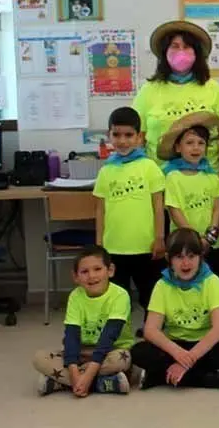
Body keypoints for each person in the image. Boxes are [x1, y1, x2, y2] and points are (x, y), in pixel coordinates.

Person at [130, 229, 219, 390]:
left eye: (191, 257)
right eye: (179, 257)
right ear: (169, 259)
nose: (186, 264)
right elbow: (150, 330)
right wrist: (179, 355)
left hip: (204, 345)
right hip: (175, 345)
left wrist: (189, 359)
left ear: (200, 257)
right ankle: (210, 378)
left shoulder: (212, 282)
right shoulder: (162, 285)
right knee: (139, 352)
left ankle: (159, 377)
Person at [134, 20, 219, 179]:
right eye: (175, 46)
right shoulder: (148, 90)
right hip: (160, 181)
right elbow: (138, 136)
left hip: (206, 181)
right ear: (164, 52)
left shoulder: (213, 88)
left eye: (187, 47)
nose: (181, 51)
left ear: (196, 53)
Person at [93, 107, 166, 317]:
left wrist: (160, 237)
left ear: (139, 137)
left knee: (150, 296)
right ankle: (118, 338)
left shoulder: (149, 167)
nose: (122, 141)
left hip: (146, 247)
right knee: (117, 297)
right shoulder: (106, 171)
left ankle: (153, 336)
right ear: (109, 135)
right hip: (114, 248)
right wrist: (100, 246)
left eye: (128, 135)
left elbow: (158, 206)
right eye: (116, 135)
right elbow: (100, 209)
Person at [33, 246, 134, 396]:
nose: (91, 276)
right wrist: (74, 372)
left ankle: (60, 382)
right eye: (84, 272)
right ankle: (102, 383)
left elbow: (109, 337)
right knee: (39, 358)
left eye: (97, 269)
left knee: (122, 360)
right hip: (82, 351)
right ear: (76, 277)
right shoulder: (75, 296)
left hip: (111, 350)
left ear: (110, 270)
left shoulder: (120, 295)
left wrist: (87, 375)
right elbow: (71, 336)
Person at [158, 112, 219, 277]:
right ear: (178, 147)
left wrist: (209, 238)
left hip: (211, 243)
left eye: (201, 143)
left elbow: (217, 208)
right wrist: (195, 240)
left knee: (213, 280)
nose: (196, 148)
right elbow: (175, 210)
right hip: (183, 244)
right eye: (189, 143)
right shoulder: (173, 177)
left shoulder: (211, 176)